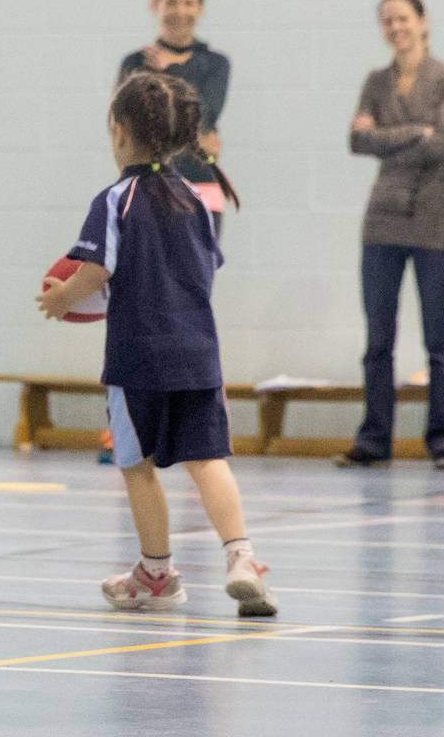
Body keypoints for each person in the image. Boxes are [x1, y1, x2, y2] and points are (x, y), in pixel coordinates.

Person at [39, 71, 276, 618]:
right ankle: (242, 558)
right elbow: (205, 272)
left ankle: (156, 573)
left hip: (137, 359)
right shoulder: (195, 199)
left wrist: (61, 299)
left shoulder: (115, 200)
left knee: (137, 465)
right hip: (198, 356)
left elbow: (95, 270)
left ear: (118, 132)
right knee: (207, 460)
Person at [336, 0, 444, 470]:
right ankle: (373, 440)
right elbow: (356, 140)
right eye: (388, 20)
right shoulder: (375, 81)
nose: (396, 27)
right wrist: (418, 132)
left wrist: (385, 139)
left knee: (439, 342)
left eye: (404, 18)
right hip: (382, 223)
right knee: (377, 342)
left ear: (423, 22)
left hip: (436, 224)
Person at [117, 0, 231, 233]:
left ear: (200, 8)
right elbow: (129, 125)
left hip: (200, 186)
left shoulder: (215, 64)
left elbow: (204, 113)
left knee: (198, 274)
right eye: (171, 3)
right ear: (155, 6)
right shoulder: (135, 64)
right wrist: (194, 137)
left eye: (188, 3)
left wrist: (169, 71)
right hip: (145, 188)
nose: (180, 11)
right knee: (147, 273)